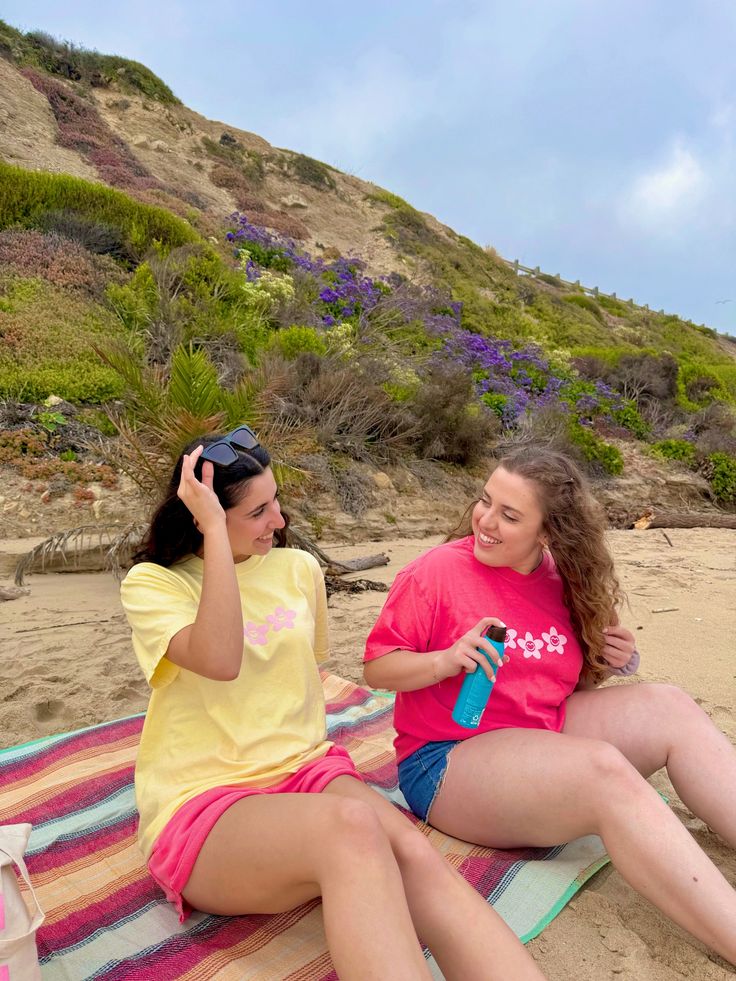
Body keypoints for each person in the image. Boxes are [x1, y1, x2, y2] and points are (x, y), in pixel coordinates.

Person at [120, 425, 544, 981]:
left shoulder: (298, 570)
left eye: (277, 503)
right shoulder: (154, 585)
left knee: (411, 852)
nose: (279, 521)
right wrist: (216, 539)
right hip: (205, 797)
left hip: (304, 768)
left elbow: (293, 673)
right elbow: (222, 660)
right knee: (349, 830)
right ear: (207, 518)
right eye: (258, 512)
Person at [363, 445, 736, 967]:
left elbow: (568, 683)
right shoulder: (435, 573)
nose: (485, 521)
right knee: (602, 770)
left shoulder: (567, 579)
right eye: (485, 501)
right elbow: (377, 667)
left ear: (548, 532)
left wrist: (616, 657)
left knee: (670, 706)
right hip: (448, 760)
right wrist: (444, 661)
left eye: (509, 515)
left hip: (541, 733)